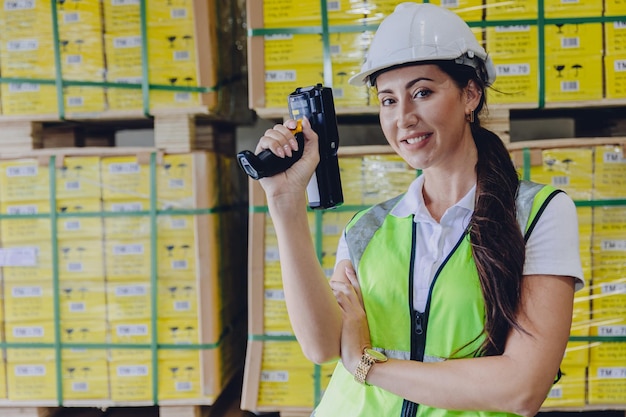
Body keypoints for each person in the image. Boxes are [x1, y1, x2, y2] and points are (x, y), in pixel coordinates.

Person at [252, 2, 584, 416]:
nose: (403, 118)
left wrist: (368, 366)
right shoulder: (368, 227)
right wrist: (285, 204)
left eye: (422, 92)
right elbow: (321, 345)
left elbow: (522, 389)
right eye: (388, 100)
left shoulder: (538, 214)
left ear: (470, 94)